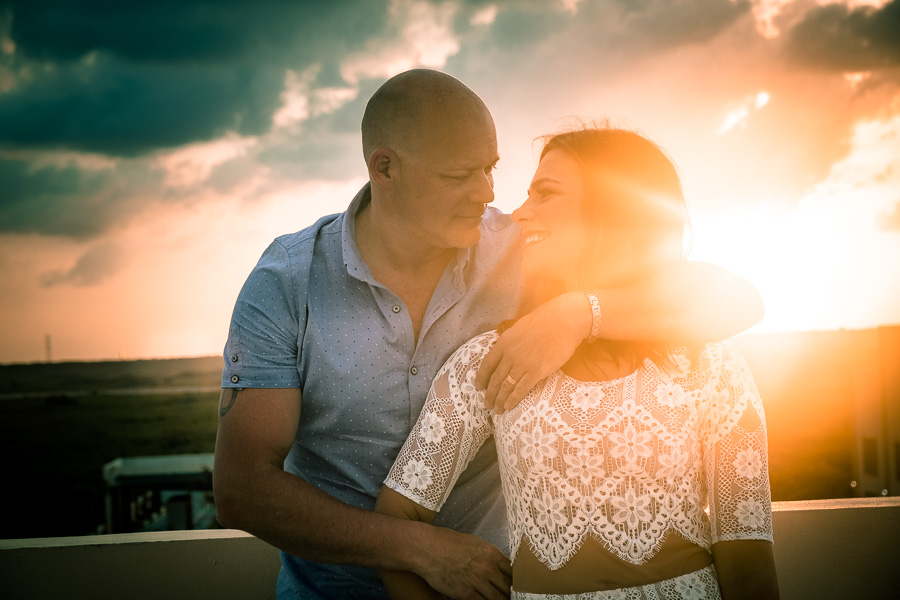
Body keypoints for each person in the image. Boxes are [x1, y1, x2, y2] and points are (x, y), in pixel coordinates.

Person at [214, 69, 765, 600]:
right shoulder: (287, 282)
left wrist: (577, 312)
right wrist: (420, 549)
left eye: (490, 168)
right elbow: (242, 489)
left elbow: (736, 301)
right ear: (384, 168)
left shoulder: (520, 244)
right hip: (328, 593)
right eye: (459, 176)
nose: (486, 194)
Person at [376, 127, 780, 599]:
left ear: (615, 210)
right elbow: (396, 520)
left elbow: (749, 565)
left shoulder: (709, 365)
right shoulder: (490, 362)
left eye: (545, 194)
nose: (521, 213)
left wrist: (579, 313)